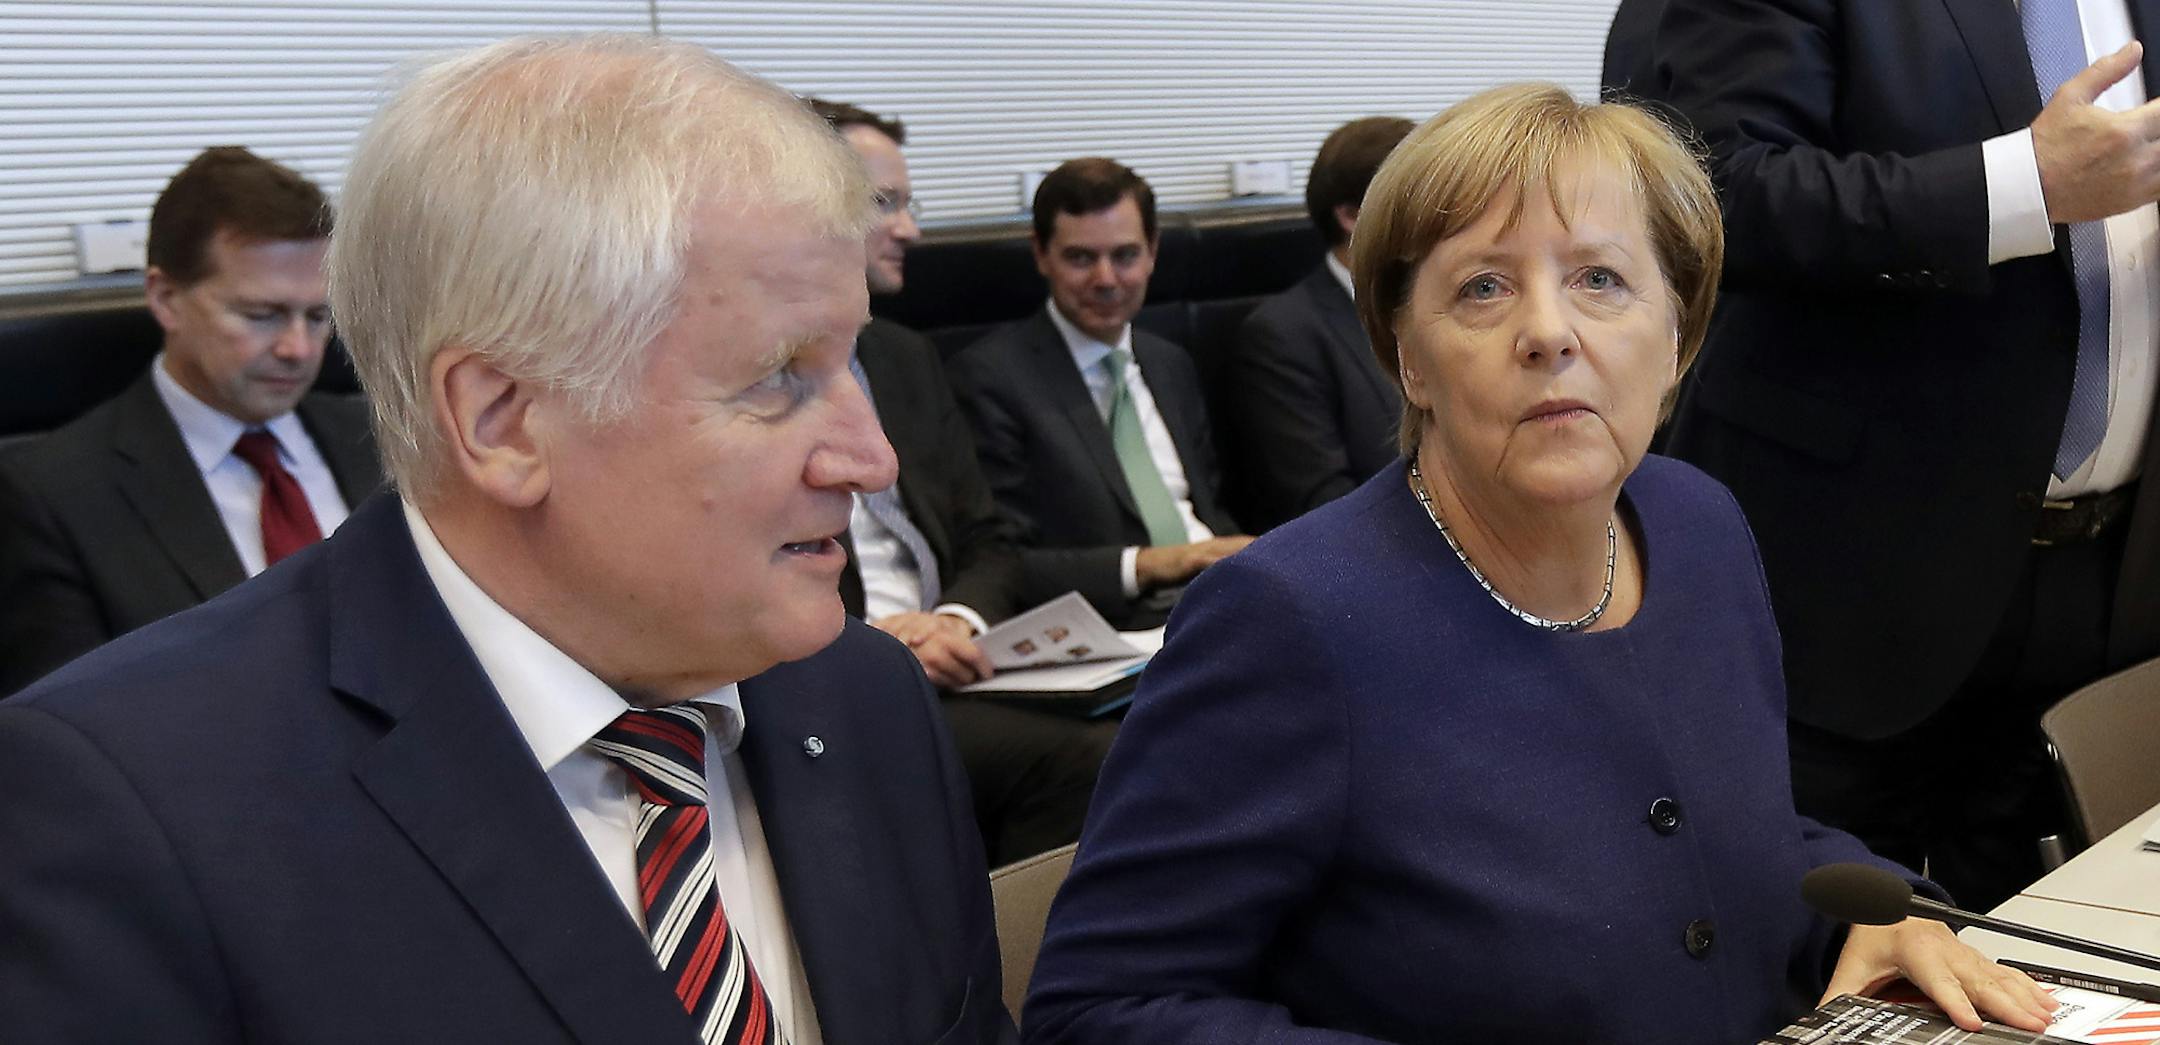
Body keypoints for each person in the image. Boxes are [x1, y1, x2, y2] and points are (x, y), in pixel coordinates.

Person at [0, 36, 1013, 1044]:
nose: (870, 458)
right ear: (505, 421)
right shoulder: (139, 810)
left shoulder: (866, 698)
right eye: (780, 378)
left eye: (850, 366)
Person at [1023, 85, 2057, 1044]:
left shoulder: (1699, 525)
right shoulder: (1292, 616)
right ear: (1409, 358)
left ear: (1677, 333)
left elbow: (1735, 823)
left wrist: (1879, 911)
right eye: (1482, 288)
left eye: (1601, 279)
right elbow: (1096, 1009)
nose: (1550, 332)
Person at [1648, 0, 2160, 911]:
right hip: (1856, 573)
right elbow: (1717, 190)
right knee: (1823, 953)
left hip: (2109, 580)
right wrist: (2023, 184)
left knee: (2056, 953)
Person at [811, 97, 1116, 866]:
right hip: (836, 676)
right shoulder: (749, 373)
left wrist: (955, 619)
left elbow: (988, 539)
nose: (911, 229)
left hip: (958, 658)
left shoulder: (905, 358)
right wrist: (874, 648)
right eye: (887, 204)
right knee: (1088, 757)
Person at [0, 146, 378, 696]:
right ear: (166, 298)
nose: (299, 349)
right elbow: (60, 740)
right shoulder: (51, 497)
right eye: (261, 315)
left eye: (318, 316)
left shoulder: (382, 436)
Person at [947, 158, 1249, 629]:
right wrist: (1160, 562)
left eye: (1125, 255)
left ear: (1152, 252)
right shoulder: (991, 377)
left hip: (1220, 600)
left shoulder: (1170, 364)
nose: (1106, 279)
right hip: (1115, 620)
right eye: (1081, 258)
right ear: (1041, 254)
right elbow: (1007, 561)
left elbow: (1210, 511)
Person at [1227, 116, 1413, 529]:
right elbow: (1320, 503)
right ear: (1351, 215)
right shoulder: (1283, 334)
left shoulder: (1450, 307)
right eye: (1416, 199)